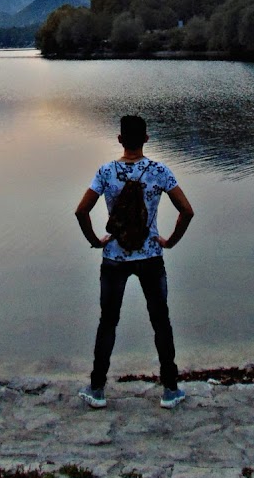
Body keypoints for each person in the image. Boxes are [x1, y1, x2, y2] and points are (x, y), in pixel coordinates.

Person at [75, 114, 194, 409]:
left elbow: (81, 211)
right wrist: (170, 240)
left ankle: (97, 390)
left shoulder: (106, 172)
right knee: (160, 321)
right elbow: (187, 211)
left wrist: (94, 240)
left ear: (119, 140)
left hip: (114, 258)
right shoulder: (159, 170)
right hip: (150, 257)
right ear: (146, 139)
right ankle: (169, 390)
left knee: (108, 323)